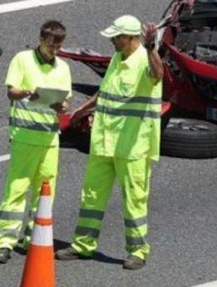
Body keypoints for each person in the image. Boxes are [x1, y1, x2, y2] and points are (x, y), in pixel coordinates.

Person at [58, 15, 164, 270]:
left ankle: (137, 250)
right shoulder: (119, 57)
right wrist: (80, 111)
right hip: (105, 141)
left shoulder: (144, 60)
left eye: (116, 38)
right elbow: (105, 91)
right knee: (92, 195)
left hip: (132, 145)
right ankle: (83, 244)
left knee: (134, 199)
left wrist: (151, 48)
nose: (112, 41)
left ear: (131, 38)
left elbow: (158, 74)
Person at [0, 20, 72, 264]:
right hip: (25, 136)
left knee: (45, 191)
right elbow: (11, 91)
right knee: (16, 189)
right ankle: (4, 241)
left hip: (49, 139)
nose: (54, 52)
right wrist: (29, 92)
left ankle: (32, 238)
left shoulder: (63, 67)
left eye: (58, 48)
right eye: (50, 47)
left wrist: (61, 105)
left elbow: (67, 103)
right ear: (41, 40)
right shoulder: (22, 59)